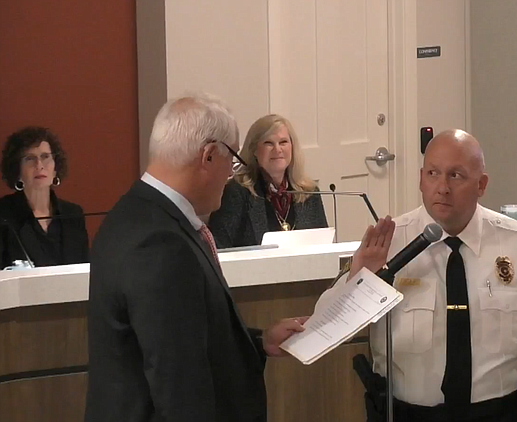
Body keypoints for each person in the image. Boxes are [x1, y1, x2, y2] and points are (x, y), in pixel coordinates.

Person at [327, 129, 517, 422]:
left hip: (501, 413)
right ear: (420, 179)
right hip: (407, 414)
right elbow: (328, 326)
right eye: (433, 173)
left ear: (482, 185)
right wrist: (358, 279)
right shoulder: (388, 243)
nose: (442, 187)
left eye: (456, 176)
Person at [85, 95, 307, 422]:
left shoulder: (136, 213)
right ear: (208, 156)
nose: (231, 175)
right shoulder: (160, 243)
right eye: (231, 162)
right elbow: (178, 382)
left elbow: (188, 333)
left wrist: (259, 341)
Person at [208, 114, 326, 248]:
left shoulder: (309, 192)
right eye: (268, 143)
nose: (277, 150)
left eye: (283, 142)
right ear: (254, 151)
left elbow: (323, 248)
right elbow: (219, 250)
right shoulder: (236, 192)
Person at [0, 126, 88, 269]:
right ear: (17, 170)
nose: (39, 165)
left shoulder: (73, 214)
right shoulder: (3, 214)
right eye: (30, 159)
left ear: (55, 168)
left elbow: (84, 272)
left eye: (45, 157)